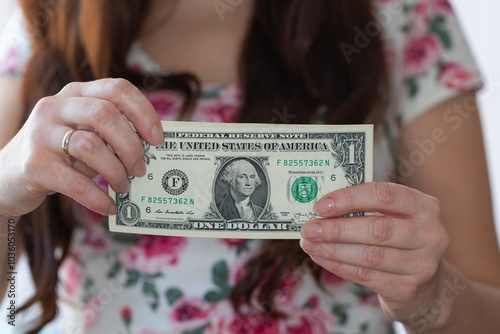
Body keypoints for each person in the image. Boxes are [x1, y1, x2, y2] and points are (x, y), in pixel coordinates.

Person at [1, 0, 500, 333]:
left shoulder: (401, 15)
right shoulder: (46, 22)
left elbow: (487, 305)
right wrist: (4, 193)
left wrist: (431, 297)